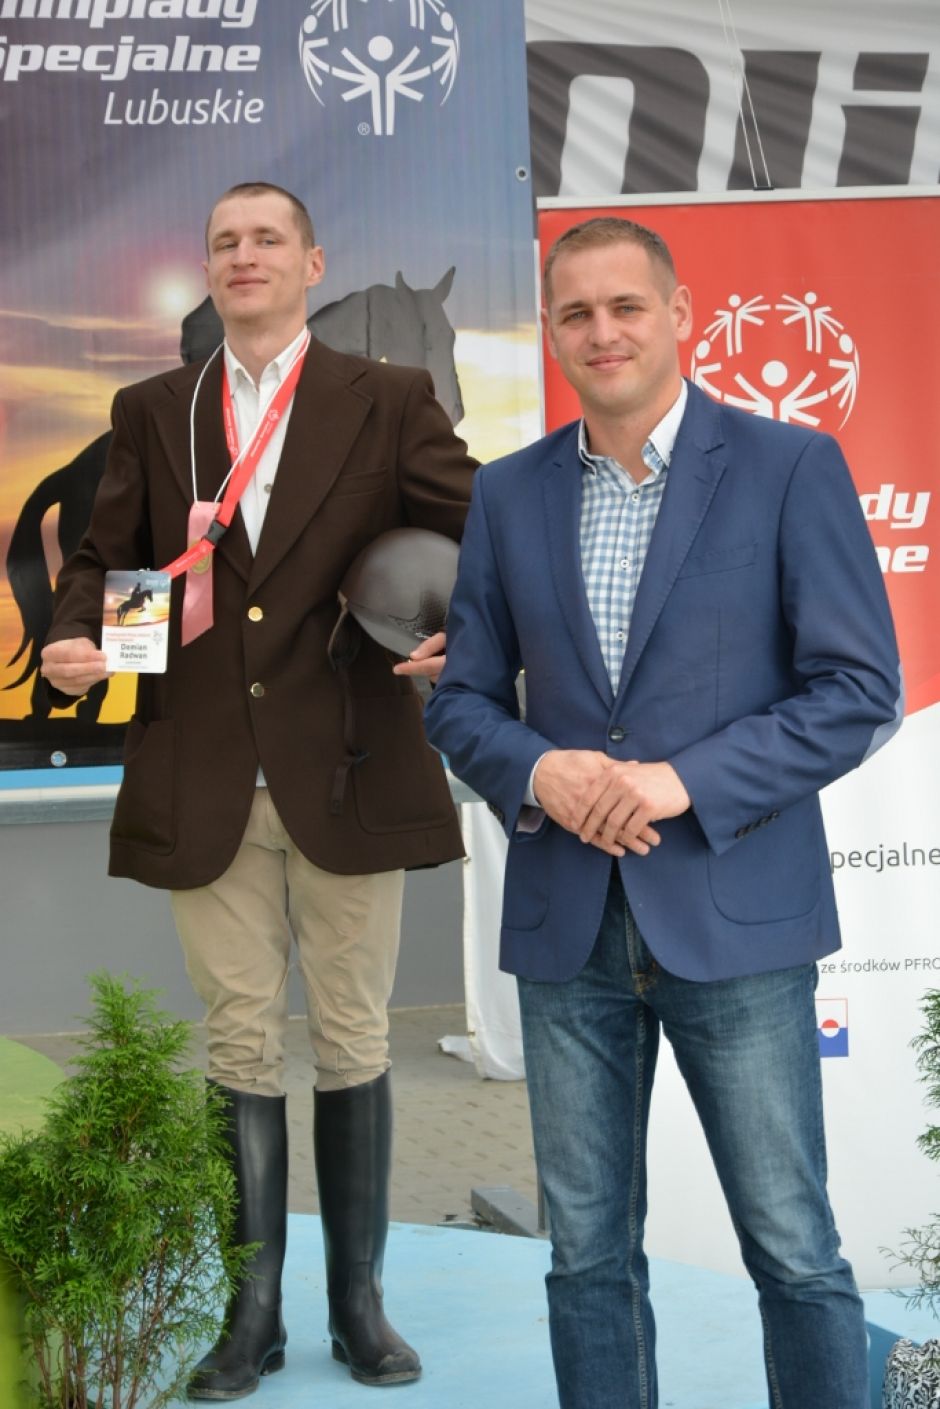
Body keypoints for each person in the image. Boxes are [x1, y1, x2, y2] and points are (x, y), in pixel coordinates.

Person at [424, 216, 901, 1409]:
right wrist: (541, 768)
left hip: (736, 920)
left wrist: (679, 780)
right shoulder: (508, 492)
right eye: (576, 312)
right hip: (567, 931)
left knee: (793, 1251)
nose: (602, 331)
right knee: (585, 1258)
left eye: (625, 305)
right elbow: (462, 699)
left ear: (680, 313)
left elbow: (858, 689)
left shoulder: (788, 466)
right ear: (551, 331)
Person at [41, 181, 476, 1400]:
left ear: (310, 263)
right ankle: (253, 1314)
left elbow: (480, 531)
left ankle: (359, 1305)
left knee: (351, 1036)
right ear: (210, 268)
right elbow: (109, 559)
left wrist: (470, 636)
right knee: (237, 1037)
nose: (245, 256)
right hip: (204, 763)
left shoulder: (389, 395)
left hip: (350, 762)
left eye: (266, 238)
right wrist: (78, 636)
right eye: (224, 241)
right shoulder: (155, 407)